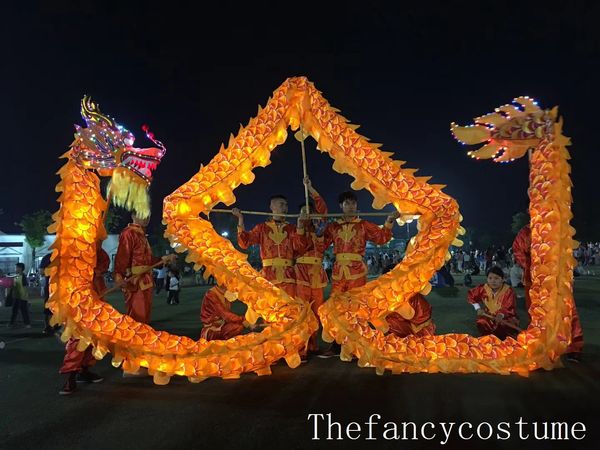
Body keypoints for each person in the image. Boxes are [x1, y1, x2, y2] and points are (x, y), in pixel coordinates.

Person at [319, 191, 399, 357]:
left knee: (356, 308)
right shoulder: (334, 227)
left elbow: (382, 237)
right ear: (341, 206)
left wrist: (390, 221)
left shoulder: (363, 224)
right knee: (336, 309)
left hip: (356, 272)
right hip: (338, 273)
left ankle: (358, 346)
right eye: (347, 203)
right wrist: (315, 228)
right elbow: (320, 244)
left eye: (353, 203)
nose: (351, 206)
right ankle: (336, 345)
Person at [512, 224, 584, 362]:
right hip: (534, 279)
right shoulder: (526, 231)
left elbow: (565, 250)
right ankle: (543, 345)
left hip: (557, 277)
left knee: (566, 310)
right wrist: (530, 266)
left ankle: (574, 346)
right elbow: (517, 250)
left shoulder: (557, 226)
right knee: (536, 313)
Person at [58, 241, 108, 395]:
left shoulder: (98, 251)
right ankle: (71, 375)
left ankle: (84, 370)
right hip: (78, 300)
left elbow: (104, 263)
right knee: (77, 337)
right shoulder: (74, 245)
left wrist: (96, 271)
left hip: (96, 296)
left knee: (94, 337)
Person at [233, 194, 308, 297]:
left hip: (288, 277)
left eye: (286, 205)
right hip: (268, 276)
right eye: (281, 205)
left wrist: (300, 226)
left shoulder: (292, 228)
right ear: (272, 207)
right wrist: (240, 219)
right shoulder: (262, 228)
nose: (285, 208)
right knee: (270, 308)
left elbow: (300, 248)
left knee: (290, 308)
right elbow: (244, 243)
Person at [113, 212, 173, 324]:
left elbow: (148, 261)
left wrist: (163, 259)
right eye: (142, 214)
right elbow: (122, 257)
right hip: (135, 281)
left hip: (146, 281)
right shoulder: (128, 233)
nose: (146, 218)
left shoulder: (142, 235)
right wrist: (119, 275)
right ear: (133, 216)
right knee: (137, 318)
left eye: (148, 215)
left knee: (145, 318)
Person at [294, 177, 329, 359]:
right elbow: (298, 247)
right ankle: (301, 347)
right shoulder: (297, 230)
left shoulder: (320, 228)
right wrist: (300, 226)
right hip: (301, 274)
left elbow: (323, 210)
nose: (308, 214)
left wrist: (311, 188)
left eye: (310, 211)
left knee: (317, 311)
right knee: (302, 311)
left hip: (317, 274)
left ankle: (314, 345)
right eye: (303, 212)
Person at [467, 266, 519, 340]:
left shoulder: (508, 291)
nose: (493, 281)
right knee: (481, 322)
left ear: (502, 279)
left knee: (504, 326)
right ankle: (487, 338)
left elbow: (509, 307)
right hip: (488, 316)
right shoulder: (483, 288)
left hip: (506, 317)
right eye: (490, 278)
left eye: (496, 278)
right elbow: (471, 295)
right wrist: (478, 308)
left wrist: (501, 315)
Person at [7, 263, 30, 328]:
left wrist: (27, 298)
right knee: (14, 311)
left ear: (20, 268)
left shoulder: (23, 277)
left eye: (16, 268)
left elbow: (25, 287)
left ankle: (27, 324)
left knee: (24, 311)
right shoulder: (16, 276)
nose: (15, 269)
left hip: (22, 297)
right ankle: (11, 323)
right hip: (16, 297)